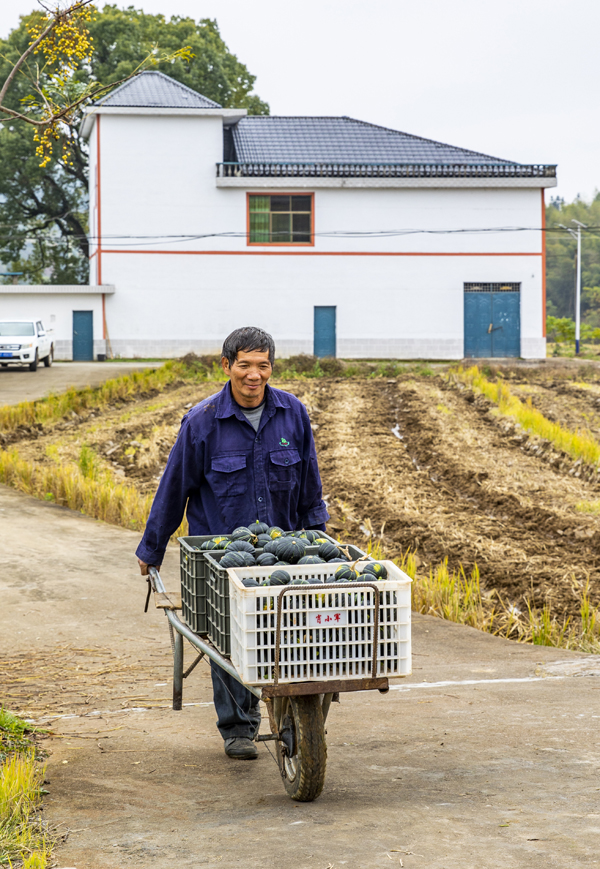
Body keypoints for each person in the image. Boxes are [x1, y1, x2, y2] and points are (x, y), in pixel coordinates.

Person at [136, 326, 329, 759]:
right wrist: (152, 550)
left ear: (271, 369)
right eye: (244, 365)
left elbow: (309, 484)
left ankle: (292, 711)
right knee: (228, 638)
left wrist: (320, 539)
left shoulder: (292, 414)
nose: (253, 375)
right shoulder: (202, 422)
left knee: (291, 633)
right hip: (220, 557)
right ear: (227, 366)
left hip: (282, 550)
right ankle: (238, 726)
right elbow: (173, 490)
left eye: (263, 366)